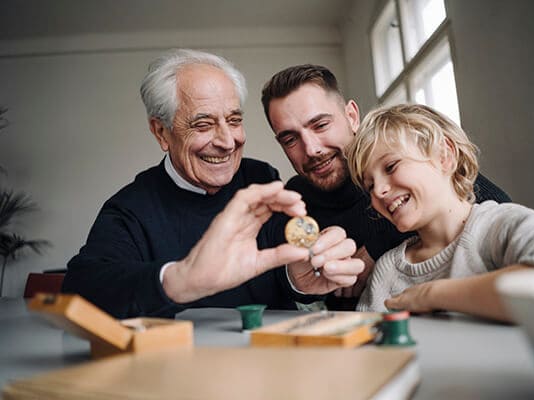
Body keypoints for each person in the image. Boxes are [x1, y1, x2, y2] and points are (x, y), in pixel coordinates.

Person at [62, 49, 364, 318]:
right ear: (161, 133)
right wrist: (181, 280)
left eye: (233, 120)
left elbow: (280, 277)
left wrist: (298, 280)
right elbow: (77, 292)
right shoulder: (130, 209)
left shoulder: (262, 179)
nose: (227, 142)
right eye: (203, 124)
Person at [261, 64, 511, 309]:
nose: (312, 149)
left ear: (351, 116)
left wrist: (378, 242)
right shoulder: (292, 203)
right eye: (290, 139)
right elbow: (285, 287)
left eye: (320, 125)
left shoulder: (396, 157)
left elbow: (494, 204)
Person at [345, 104, 534, 321]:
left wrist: (430, 295)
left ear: (444, 155)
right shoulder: (388, 270)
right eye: (369, 185)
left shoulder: (498, 226)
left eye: (390, 166)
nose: (378, 190)